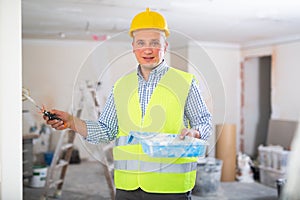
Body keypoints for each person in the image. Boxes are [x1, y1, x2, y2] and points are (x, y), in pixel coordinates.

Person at [45, 8, 212, 200]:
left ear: (165, 46)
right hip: (127, 188)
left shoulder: (185, 82)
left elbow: (204, 123)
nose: (147, 49)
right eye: (141, 43)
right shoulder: (121, 85)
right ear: (133, 46)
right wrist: (72, 122)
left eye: (154, 43)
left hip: (170, 189)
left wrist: (195, 133)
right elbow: (106, 130)